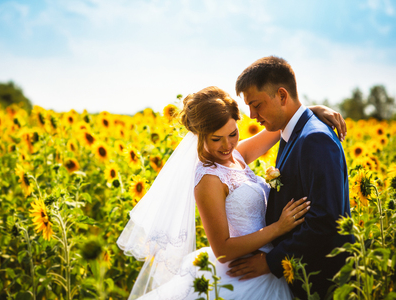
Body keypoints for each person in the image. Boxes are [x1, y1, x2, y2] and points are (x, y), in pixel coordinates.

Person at [117, 86, 347, 300]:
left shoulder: (236, 155)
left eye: (233, 134)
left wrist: (313, 110)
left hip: (268, 264)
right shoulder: (208, 178)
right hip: (243, 273)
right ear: (199, 136)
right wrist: (278, 228)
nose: (227, 145)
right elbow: (223, 250)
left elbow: (281, 125)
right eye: (216, 139)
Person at [228, 56, 354, 299]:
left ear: (282, 96)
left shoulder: (314, 139)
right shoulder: (292, 132)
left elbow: (325, 220)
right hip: (300, 277)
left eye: (257, 105)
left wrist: (270, 262)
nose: (252, 115)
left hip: (323, 281)